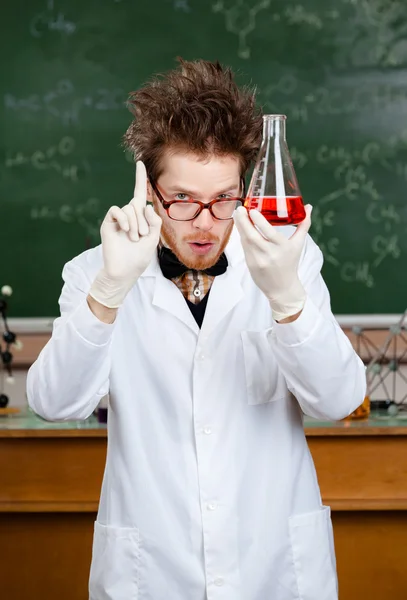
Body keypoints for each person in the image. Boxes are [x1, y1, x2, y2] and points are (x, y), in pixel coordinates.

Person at [27, 58, 366, 600]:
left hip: (273, 571)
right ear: (148, 188)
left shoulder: (289, 262)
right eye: (182, 199)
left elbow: (340, 398)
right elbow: (54, 402)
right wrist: (111, 290)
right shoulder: (96, 270)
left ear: (245, 187)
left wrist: (286, 298)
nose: (206, 222)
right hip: (153, 573)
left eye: (223, 199)